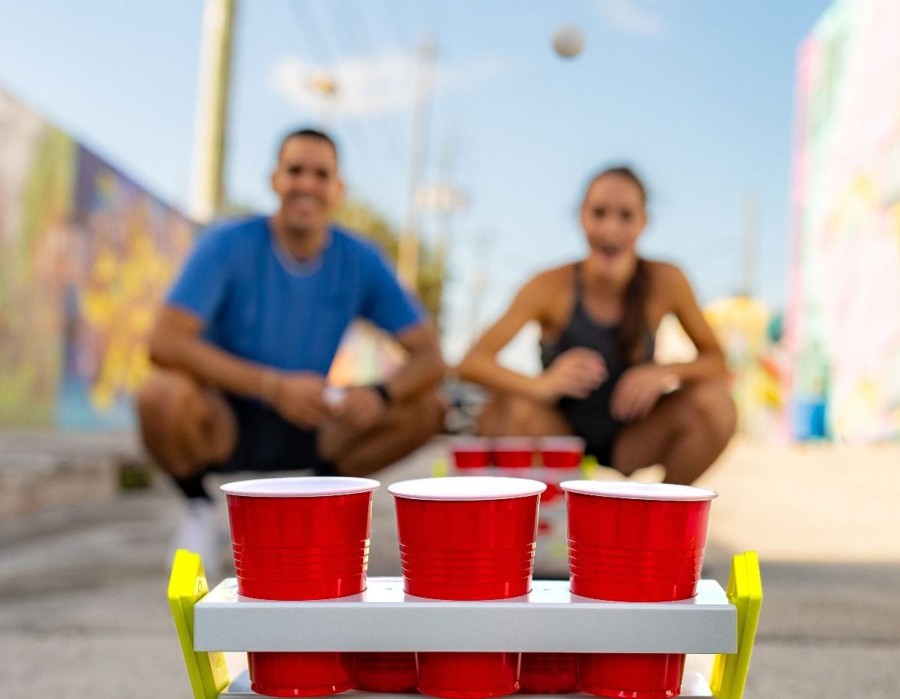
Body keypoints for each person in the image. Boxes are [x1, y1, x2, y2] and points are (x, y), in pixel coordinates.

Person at [137, 127, 446, 569]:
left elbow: (431, 357)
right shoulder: (227, 243)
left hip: (314, 417)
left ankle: (317, 504)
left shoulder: (361, 258)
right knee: (160, 395)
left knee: (427, 408)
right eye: (295, 170)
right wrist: (271, 385)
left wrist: (378, 394)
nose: (307, 183)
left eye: (321, 174)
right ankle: (198, 509)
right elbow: (164, 341)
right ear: (274, 180)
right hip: (226, 416)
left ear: (338, 189)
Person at [457, 165, 735, 485]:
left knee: (716, 403)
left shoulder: (666, 281)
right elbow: (471, 363)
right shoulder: (549, 285)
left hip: (632, 439)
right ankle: (535, 508)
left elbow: (716, 360)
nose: (610, 229)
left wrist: (663, 372)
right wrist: (542, 385)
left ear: (644, 222)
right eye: (599, 213)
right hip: (558, 437)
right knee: (505, 407)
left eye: (625, 216)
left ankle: (657, 519)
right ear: (582, 218)